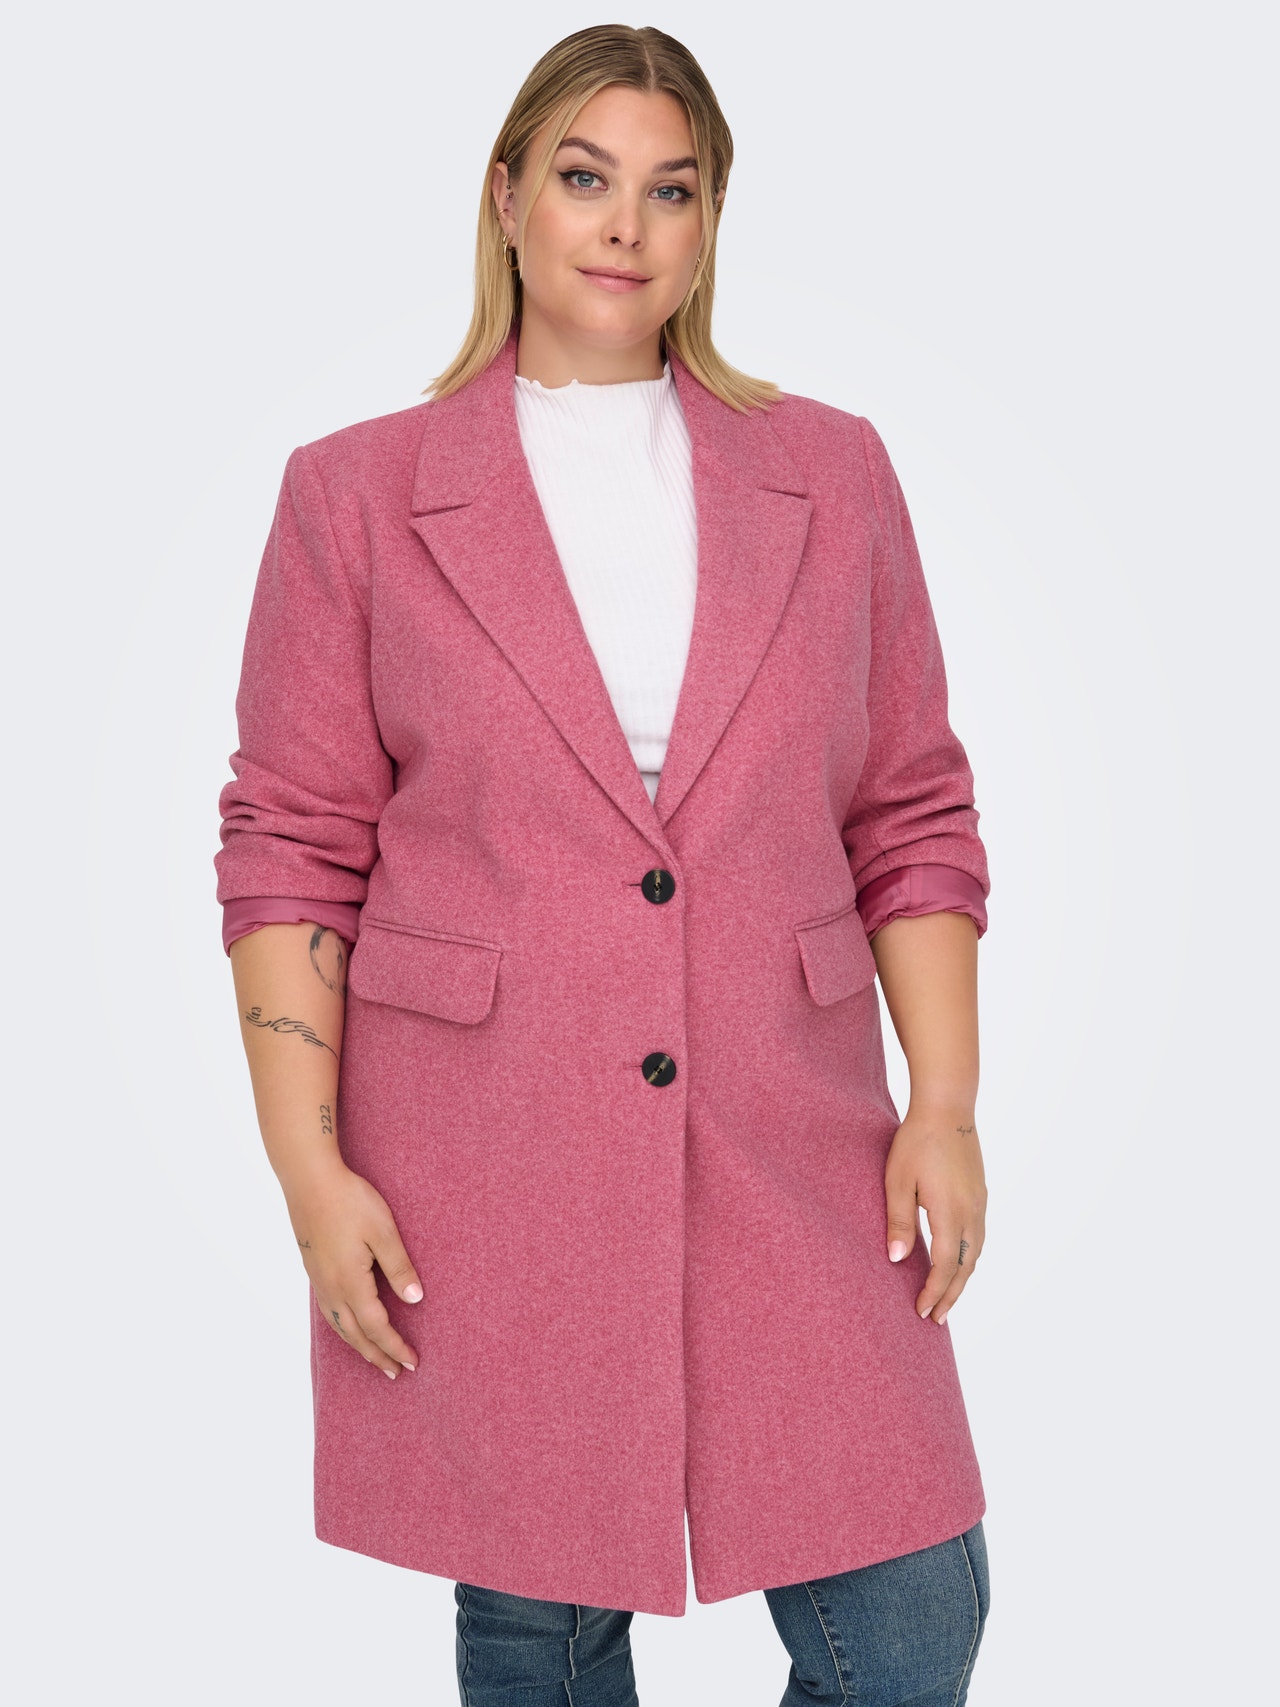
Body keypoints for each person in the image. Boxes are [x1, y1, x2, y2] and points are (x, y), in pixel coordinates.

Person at [215, 23, 992, 1707]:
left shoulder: (833, 470)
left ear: (711, 224)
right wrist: (308, 1168)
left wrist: (943, 1102)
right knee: (547, 1629)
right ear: (507, 201)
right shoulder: (355, 497)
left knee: (914, 1615)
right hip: (490, 1149)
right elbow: (291, 850)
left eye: (672, 189)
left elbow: (911, 810)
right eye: (584, 178)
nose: (625, 224)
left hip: (793, 1131)